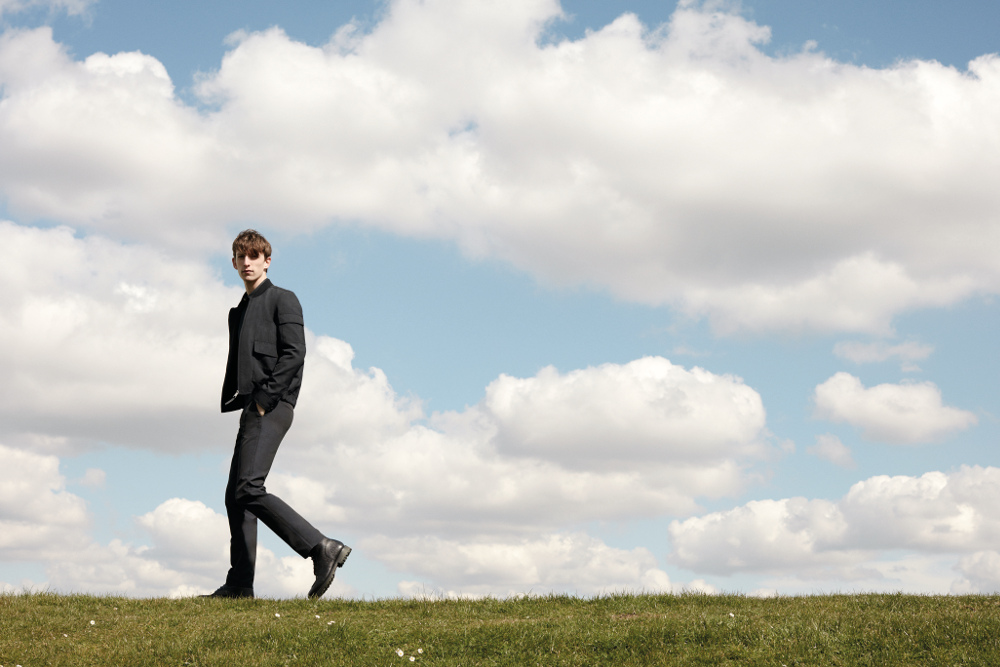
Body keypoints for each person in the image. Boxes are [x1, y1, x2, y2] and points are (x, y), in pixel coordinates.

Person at [203, 229, 350, 599]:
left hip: (272, 405)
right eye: (241, 256)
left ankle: (320, 548)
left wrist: (265, 399)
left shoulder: (283, 299)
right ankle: (239, 584)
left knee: (248, 487)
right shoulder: (239, 311)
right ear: (234, 262)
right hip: (253, 406)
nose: (247, 262)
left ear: (267, 260)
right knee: (236, 496)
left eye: (255, 256)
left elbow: (295, 353)